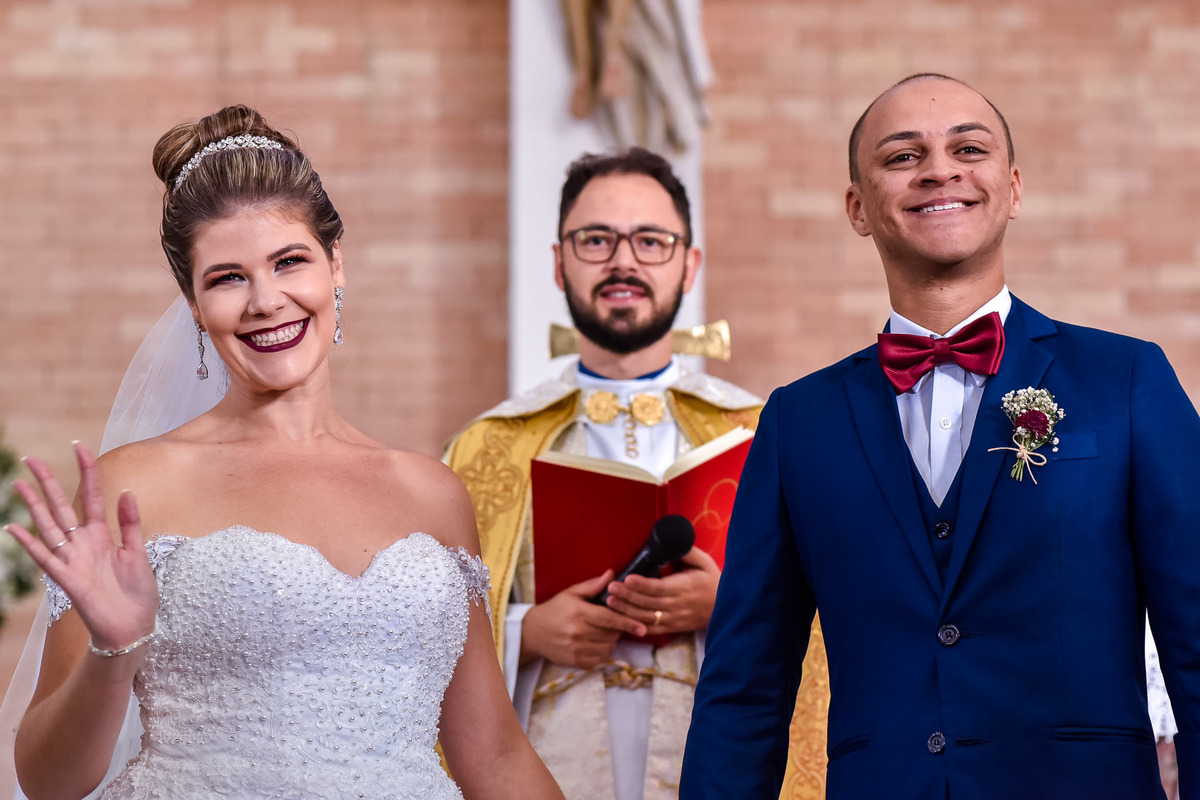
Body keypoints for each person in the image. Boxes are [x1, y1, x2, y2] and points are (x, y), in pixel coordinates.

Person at [1, 105, 564, 800]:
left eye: (289, 261)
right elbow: (46, 782)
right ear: (194, 303)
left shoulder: (433, 492)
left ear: (335, 266)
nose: (266, 300)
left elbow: (497, 759)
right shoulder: (132, 488)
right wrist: (112, 653)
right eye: (227, 278)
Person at [680, 73, 1200, 799]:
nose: (939, 169)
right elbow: (745, 687)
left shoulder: (1129, 381)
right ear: (858, 207)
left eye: (968, 148)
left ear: (1013, 189)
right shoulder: (798, 421)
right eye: (902, 156)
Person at [444, 147, 829, 800]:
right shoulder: (487, 447)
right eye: (596, 240)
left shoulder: (766, 432)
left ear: (689, 263)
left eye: (651, 241)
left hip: (715, 766)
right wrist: (525, 633)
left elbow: (843, 615)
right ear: (559, 263)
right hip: (550, 766)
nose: (623, 261)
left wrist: (728, 607)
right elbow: (430, 633)